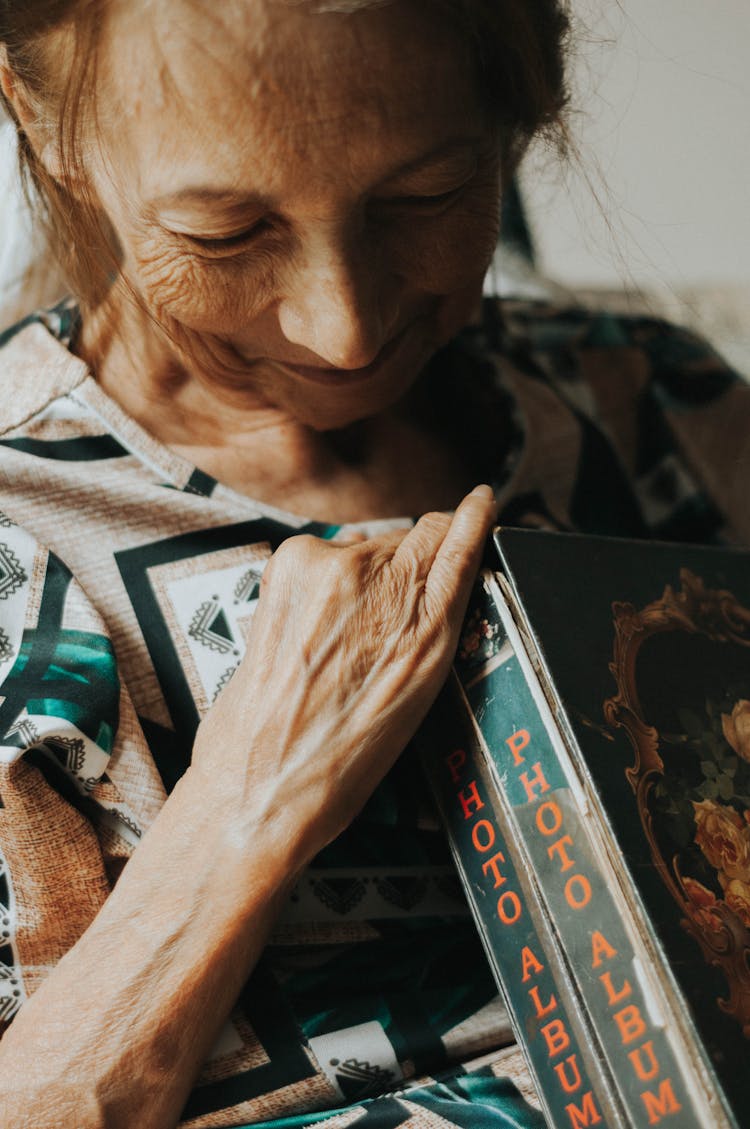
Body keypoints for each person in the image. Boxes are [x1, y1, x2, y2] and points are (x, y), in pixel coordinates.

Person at [0, 2, 747, 1127]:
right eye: (222, 231)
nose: (343, 328)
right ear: (45, 125)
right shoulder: (23, 534)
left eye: (427, 199)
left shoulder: (655, 409)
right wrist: (252, 800)